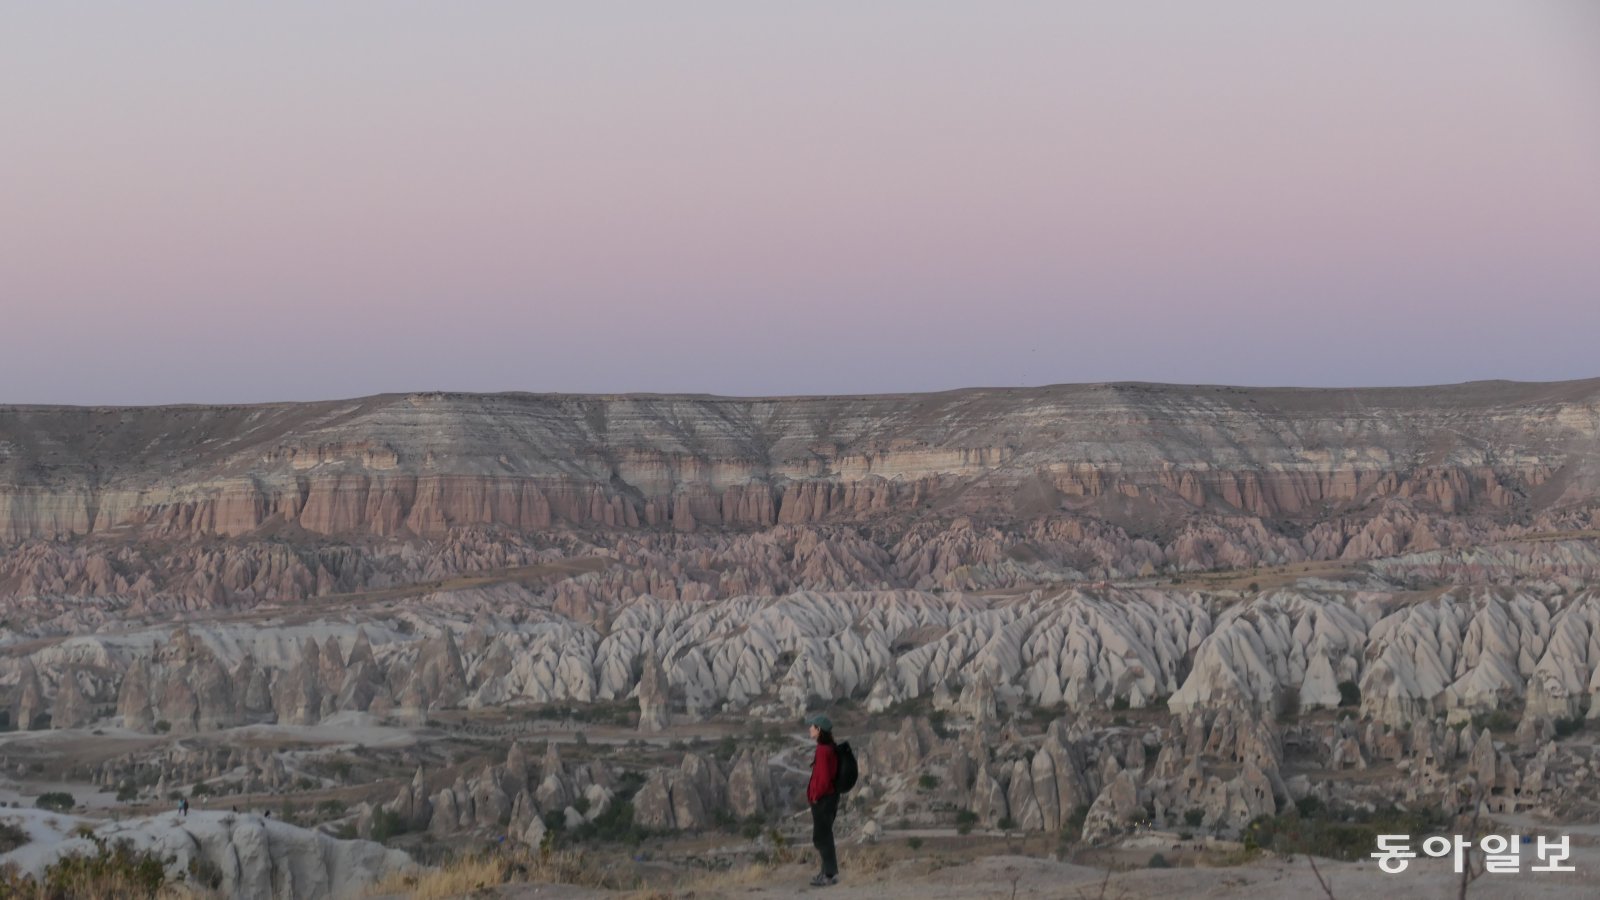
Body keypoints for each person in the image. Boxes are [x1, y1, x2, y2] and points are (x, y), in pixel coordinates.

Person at [805, 713, 840, 887]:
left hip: (824, 799)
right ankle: (826, 872)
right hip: (830, 798)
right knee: (824, 837)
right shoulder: (830, 748)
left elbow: (824, 779)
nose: (810, 729)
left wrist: (816, 796)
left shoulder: (823, 750)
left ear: (819, 730)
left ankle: (829, 874)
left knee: (821, 838)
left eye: (812, 726)